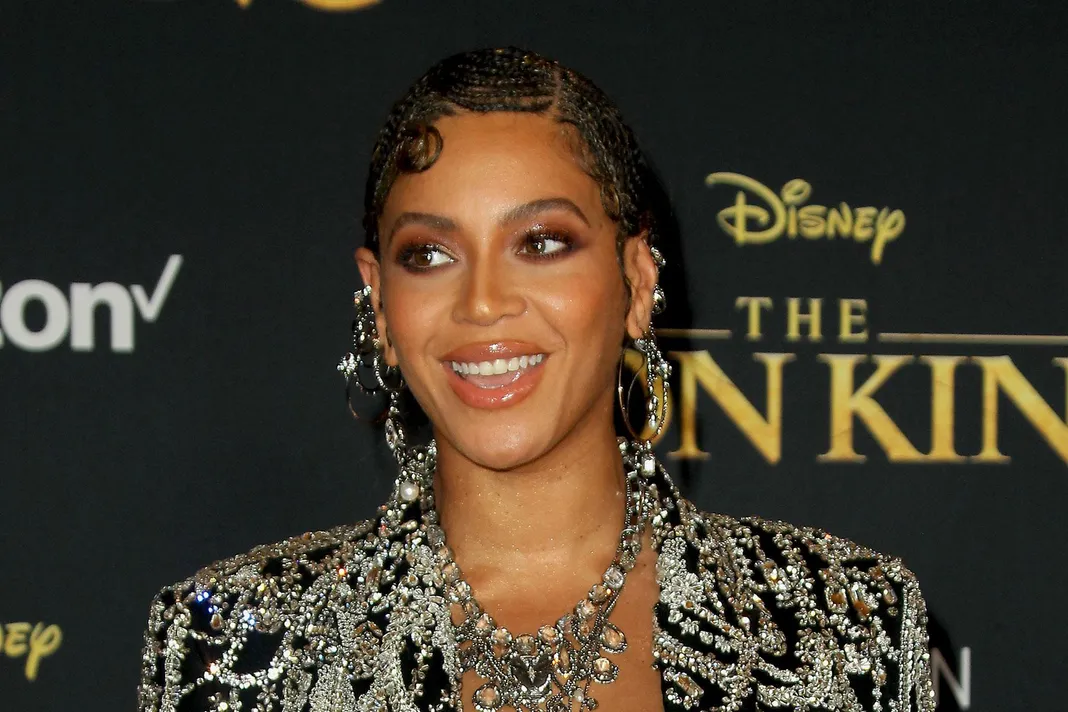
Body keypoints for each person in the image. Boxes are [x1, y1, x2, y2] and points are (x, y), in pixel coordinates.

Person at [138, 47, 934, 712]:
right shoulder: (239, 642)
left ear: (638, 279)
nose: (483, 302)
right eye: (429, 255)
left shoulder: (841, 625)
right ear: (378, 304)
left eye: (542, 243)